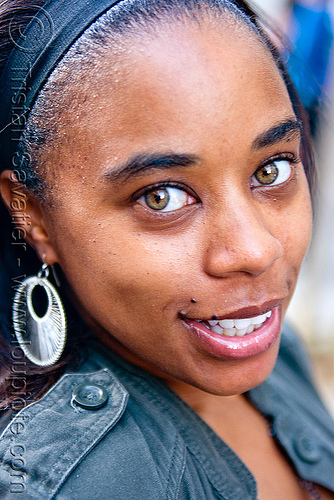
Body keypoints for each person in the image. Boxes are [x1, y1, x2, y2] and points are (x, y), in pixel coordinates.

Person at [0, 0, 333, 498]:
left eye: (272, 170)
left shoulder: (271, 350)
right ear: (36, 217)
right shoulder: (82, 485)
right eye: (162, 197)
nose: (255, 250)